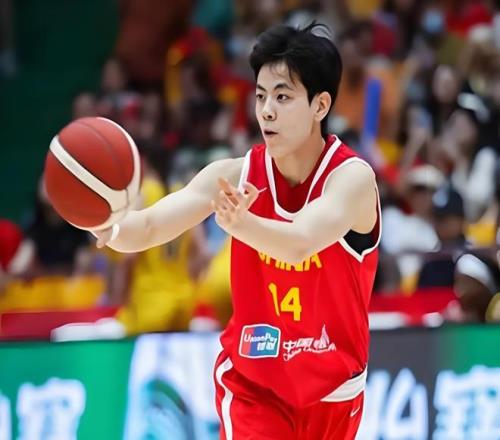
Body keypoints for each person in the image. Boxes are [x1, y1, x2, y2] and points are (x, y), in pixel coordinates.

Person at [94, 22, 380, 439]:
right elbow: (150, 225)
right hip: (254, 388)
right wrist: (107, 224)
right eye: (260, 96)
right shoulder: (234, 176)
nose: (266, 111)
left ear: (320, 105)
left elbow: (300, 243)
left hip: (335, 393)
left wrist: (242, 224)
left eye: (282, 97)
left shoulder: (351, 180)